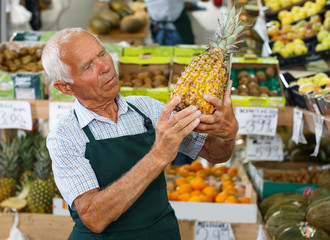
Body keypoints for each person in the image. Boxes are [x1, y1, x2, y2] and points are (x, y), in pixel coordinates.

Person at [42, 28, 238, 239]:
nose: (106, 67)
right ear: (65, 88)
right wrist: (158, 156)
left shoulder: (149, 109)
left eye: (102, 54)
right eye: (88, 66)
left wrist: (227, 134)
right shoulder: (65, 137)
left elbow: (216, 154)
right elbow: (93, 218)